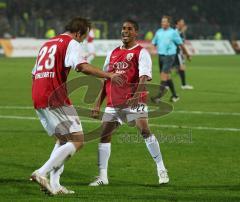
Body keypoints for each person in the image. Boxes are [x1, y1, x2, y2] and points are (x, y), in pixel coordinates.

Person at [30, 17, 122, 195]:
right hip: (54, 96)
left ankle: (55, 185)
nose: (83, 40)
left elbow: (34, 74)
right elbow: (82, 67)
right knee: (78, 140)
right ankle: (41, 173)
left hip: (38, 95)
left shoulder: (48, 44)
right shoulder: (71, 43)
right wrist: (108, 75)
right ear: (79, 33)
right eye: (84, 37)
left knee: (64, 139)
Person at [89, 19, 169, 186]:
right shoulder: (112, 53)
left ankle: (161, 168)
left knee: (145, 131)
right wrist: (97, 102)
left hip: (134, 101)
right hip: (113, 102)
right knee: (104, 135)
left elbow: (144, 76)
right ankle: (102, 177)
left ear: (136, 32)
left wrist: (136, 95)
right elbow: (106, 79)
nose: (125, 31)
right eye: (123, 28)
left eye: (129, 29)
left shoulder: (141, 52)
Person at [151, 16, 191, 103]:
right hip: (161, 56)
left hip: (169, 56)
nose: (163, 23)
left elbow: (181, 44)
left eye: (165, 22)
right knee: (167, 77)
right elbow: (153, 43)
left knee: (163, 76)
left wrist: (187, 54)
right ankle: (175, 96)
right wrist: (149, 53)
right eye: (162, 21)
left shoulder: (173, 33)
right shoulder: (159, 32)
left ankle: (158, 97)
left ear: (169, 23)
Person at [173, 18, 193, 90]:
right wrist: (187, 55)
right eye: (182, 22)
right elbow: (178, 42)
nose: (183, 24)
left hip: (179, 52)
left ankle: (167, 84)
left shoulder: (181, 32)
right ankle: (183, 85)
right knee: (181, 67)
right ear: (178, 23)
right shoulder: (176, 31)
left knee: (177, 68)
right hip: (176, 52)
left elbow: (182, 44)